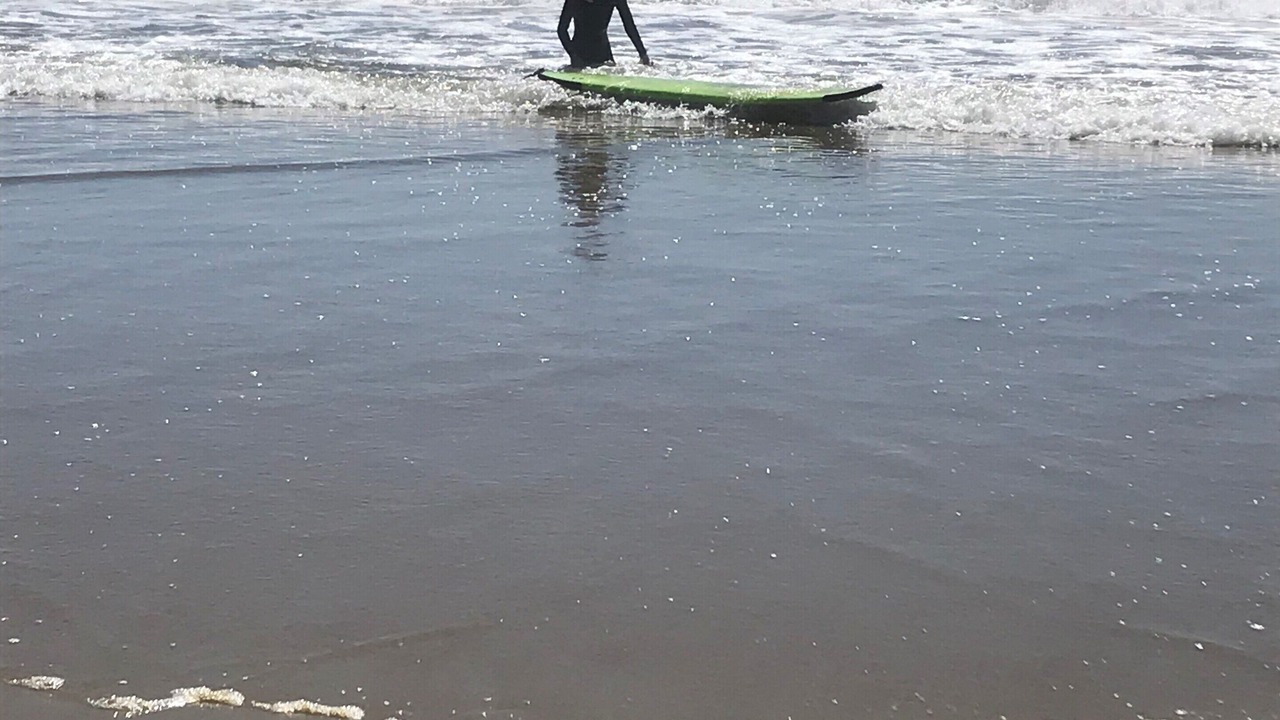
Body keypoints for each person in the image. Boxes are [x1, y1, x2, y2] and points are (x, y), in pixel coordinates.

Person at [558, 0, 650, 69]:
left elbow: (629, 26)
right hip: (581, 56)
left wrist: (643, 54)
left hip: (604, 56)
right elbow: (562, 30)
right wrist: (574, 55)